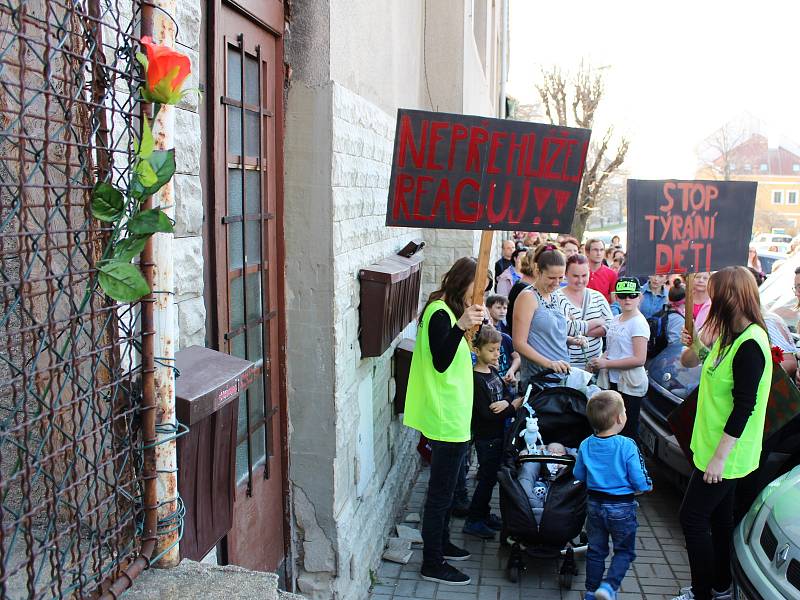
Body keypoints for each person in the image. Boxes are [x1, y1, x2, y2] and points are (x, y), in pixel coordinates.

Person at [672, 267, 773, 600]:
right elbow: (707, 364)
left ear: (732, 298)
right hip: (713, 449)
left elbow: (744, 407)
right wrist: (699, 344)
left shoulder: (751, 345)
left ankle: (703, 592)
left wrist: (718, 459)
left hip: (725, 456)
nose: (711, 300)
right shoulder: (730, 335)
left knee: (693, 517)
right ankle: (721, 585)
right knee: (718, 519)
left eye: (716, 295)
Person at [404, 257, 486, 586]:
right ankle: (432, 561)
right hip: (445, 414)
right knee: (441, 491)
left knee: (449, 487)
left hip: (454, 412)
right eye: (478, 286)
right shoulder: (441, 312)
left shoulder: (448, 310)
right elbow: (440, 361)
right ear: (463, 282)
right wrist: (461, 325)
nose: (480, 294)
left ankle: (442, 543)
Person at [574, 390, 653, 600]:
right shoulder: (627, 445)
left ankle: (591, 592)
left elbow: (579, 474)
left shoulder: (585, 444)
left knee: (596, 550)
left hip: (594, 505)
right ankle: (609, 587)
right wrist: (646, 486)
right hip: (622, 507)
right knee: (624, 551)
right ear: (620, 418)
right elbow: (638, 477)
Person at [463, 327, 523, 539]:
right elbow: (487, 414)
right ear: (477, 351)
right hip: (487, 437)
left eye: (498, 350)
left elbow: (506, 394)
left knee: (492, 478)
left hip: (499, 434)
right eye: (491, 350)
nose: (497, 354)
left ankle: (484, 513)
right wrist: (513, 407)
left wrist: (507, 401)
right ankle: (474, 520)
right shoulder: (475, 379)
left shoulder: (493, 371)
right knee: (487, 479)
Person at [588, 278, 649, 442]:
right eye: (622, 296)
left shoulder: (638, 323)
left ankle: (631, 465)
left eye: (632, 295)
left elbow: (639, 359)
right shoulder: (616, 319)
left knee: (628, 432)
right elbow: (611, 349)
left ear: (639, 297)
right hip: (613, 382)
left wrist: (605, 363)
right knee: (611, 429)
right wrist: (599, 360)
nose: (627, 299)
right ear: (616, 297)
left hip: (630, 385)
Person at [512, 245, 571, 384]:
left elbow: (544, 333)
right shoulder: (527, 297)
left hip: (561, 375)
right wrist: (549, 364)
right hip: (540, 379)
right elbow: (519, 343)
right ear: (538, 271)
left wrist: (570, 339)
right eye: (551, 278)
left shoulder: (554, 295)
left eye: (561, 277)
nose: (556, 283)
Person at [555, 254, 612, 369]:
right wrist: (596, 323)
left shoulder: (598, 297)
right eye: (575, 276)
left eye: (584, 275)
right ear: (565, 274)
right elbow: (563, 328)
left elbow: (610, 326)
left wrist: (580, 331)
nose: (580, 280)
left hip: (595, 366)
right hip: (566, 367)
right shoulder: (555, 298)